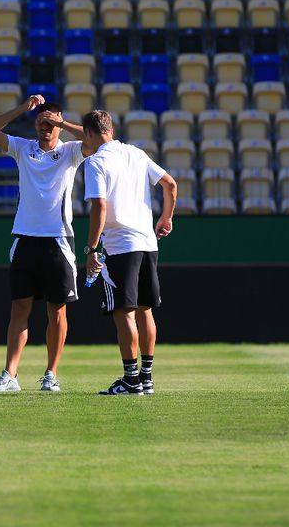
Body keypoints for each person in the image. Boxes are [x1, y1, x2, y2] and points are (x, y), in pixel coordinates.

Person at [0, 95, 89, 393]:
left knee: (57, 311)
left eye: (52, 122)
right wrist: (21, 109)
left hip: (58, 241)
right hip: (25, 239)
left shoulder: (71, 152)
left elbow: (100, 140)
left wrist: (62, 122)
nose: (47, 126)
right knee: (19, 308)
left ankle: (51, 374)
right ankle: (10, 375)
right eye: (43, 121)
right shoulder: (23, 148)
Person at [81, 110, 177, 396]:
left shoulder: (96, 162)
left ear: (88, 133)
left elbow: (99, 206)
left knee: (123, 312)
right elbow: (170, 184)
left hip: (121, 245)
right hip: (148, 242)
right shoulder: (135, 153)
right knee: (145, 310)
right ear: (110, 128)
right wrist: (166, 218)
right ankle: (146, 378)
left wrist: (91, 248)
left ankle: (130, 380)